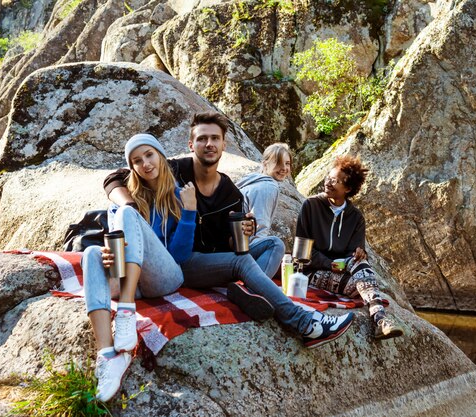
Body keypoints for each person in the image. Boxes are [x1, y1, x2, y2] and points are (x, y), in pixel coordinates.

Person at [103, 112, 355, 349]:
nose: (209, 143)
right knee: (241, 262)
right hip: (183, 260)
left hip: (212, 259)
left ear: (224, 145)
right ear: (192, 144)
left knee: (274, 244)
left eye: (215, 138)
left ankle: (248, 290)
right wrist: (130, 206)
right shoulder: (173, 170)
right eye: (202, 138)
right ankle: (303, 322)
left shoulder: (231, 194)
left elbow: (229, 245)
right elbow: (115, 178)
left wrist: (244, 233)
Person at [83, 133, 197, 401]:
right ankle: (108, 356)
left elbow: (180, 254)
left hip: (165, 277)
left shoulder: (181, 195)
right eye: (137, 160)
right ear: (131, 167)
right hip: (132, 282)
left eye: (149, 155)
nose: (145, 164)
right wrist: (109, 255)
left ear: (160, 155)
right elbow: (116, 252)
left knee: (126, 213)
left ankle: (125, 311)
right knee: (90, 254)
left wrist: (190, 212)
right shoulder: (126, 201)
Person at [296, 155, 405, 340]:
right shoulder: (311, 206)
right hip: (312, 271)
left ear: (347, 189)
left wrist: (358, 254)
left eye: (335, 181)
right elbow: (301, 253)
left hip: (343, 271)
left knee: (361, 272)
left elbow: (354, 255)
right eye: (328, 178)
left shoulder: (356, 217)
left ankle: (379, 319)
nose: (328, 183)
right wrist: (329, 263)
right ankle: (380, 318)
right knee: (363, 286)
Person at [235, 143, 291, 278]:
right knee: (276, 245)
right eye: (278, 163)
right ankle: (255, 287)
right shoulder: (268, 187)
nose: (284, 168)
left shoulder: (252, 181)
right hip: (238, 248)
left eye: (287, 163)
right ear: (265, 164)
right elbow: (258, 230)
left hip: (232, 244)